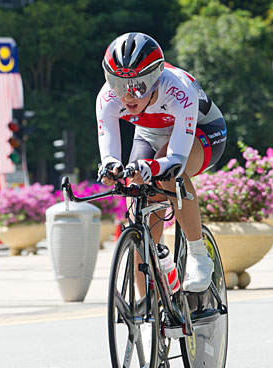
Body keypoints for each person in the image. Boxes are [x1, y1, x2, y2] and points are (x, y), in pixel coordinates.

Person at [96, 32, 227, 292]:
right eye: (118, 84)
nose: (127, 96)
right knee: (137, 204)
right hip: (148, 134)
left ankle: (198, 253)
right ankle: (148, 306)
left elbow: (175, 159)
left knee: (167, 176)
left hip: (202, 132)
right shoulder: (108, 98)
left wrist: (151, 168)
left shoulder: (178, 89)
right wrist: (111, 167)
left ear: (155, 79)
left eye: (137, 86)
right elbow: (109, 153)